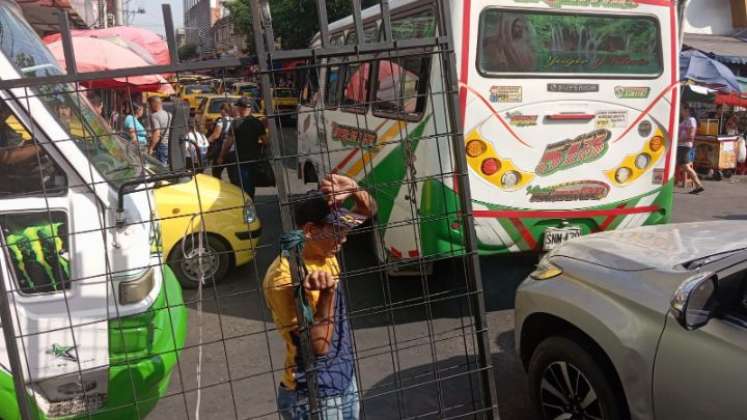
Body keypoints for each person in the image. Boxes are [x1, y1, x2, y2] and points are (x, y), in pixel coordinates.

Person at [264, 174, 376, 420]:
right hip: (313, 392)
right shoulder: (285, 275)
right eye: (337, 231)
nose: (344, 238)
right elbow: (317, 347)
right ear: (310, 230)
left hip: (343, 379)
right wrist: (327, 295)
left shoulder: (324, 250)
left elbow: (368, 210)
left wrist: (354, 189)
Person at [219, 97, 265, 198]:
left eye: (237, 107)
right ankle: (251, 203)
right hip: (254, 159)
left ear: (240, 108)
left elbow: (228, 143)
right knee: (251, 185)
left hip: (240, 160)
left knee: (241, 187)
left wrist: (221, 156)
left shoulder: (236, 123)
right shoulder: (257, 123)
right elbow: (265, 141)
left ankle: (245, 207)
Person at [677, 103, 704, 194]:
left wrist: (678, 140)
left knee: (684, 166)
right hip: (681, 145)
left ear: (687, 110)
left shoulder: (691, 120)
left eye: (682, 109)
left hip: (684, 146)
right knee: (685, 166)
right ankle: (698, 185)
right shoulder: (684, 120)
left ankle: (698, 184)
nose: (680, 111)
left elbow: (691, 136)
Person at [207, 102, 233, 179]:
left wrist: (206, 141)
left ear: (224, 110)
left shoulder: (221, 121)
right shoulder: (234, 120)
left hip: (221, 150)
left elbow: (216, 135)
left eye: (221, 110)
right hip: (232, 151)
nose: (220, 112)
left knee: (216, 173)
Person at [147, 96, 172, 165]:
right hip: (169, 145)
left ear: (153, 104)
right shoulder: (169, 114)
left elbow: (157, 133)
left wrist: (151, 148)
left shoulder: (154, 116)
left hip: (162, 146)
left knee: (160, 170)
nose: (149, 108)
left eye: (149, 105)